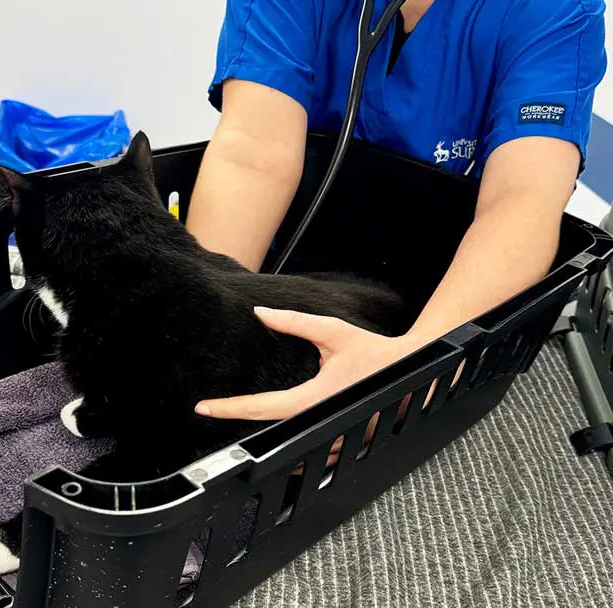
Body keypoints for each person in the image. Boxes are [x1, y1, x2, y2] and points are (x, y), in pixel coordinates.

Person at [188, 0, 607, 421]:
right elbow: (252, 152)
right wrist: (204, 327)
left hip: (438, 299)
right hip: (290, 272)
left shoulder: (553, 10)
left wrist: (410, 371)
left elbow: (522, 203)